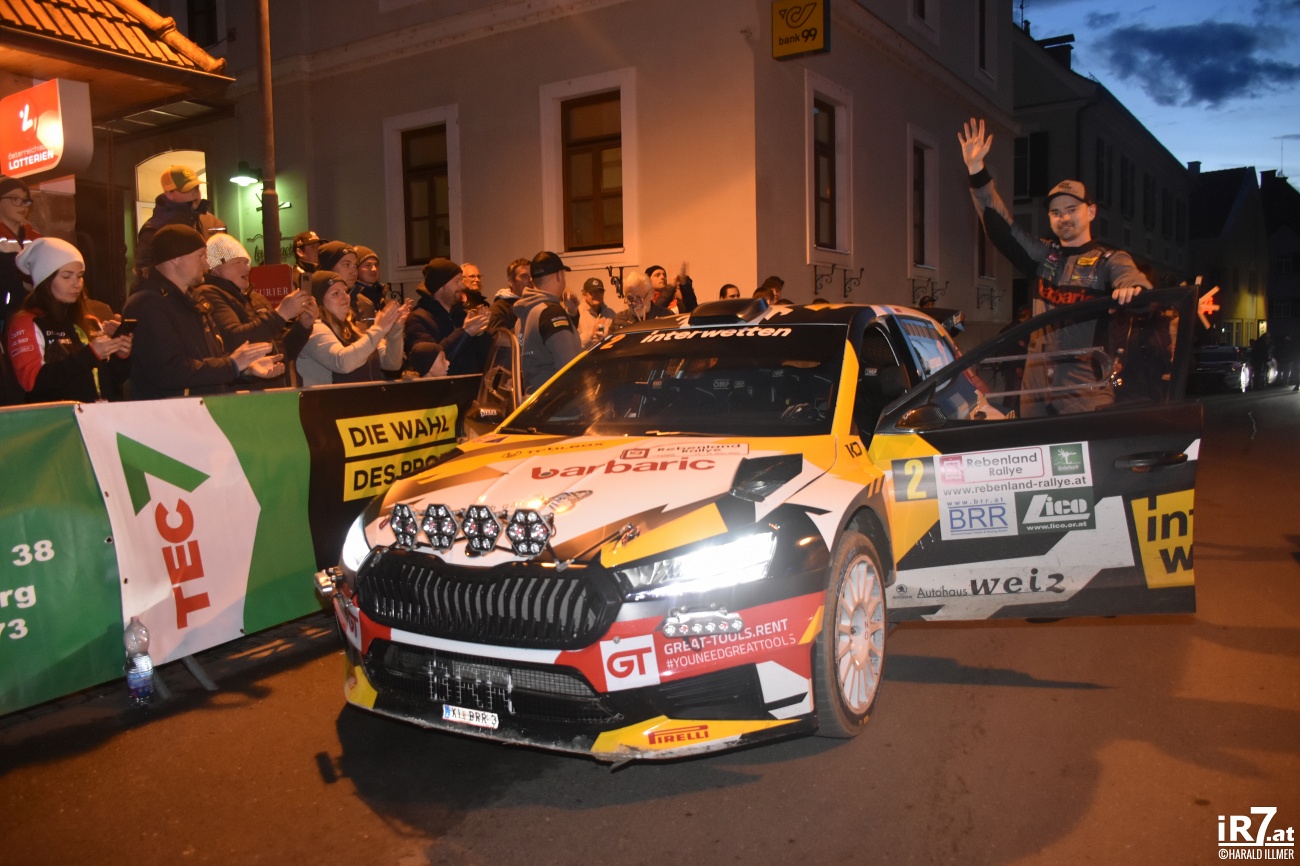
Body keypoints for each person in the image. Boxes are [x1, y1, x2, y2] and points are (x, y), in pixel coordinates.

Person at [958, 117, 1150, 415]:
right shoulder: (1044, 255)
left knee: (1083, 446)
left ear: (1091, 211)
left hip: (1085, 383)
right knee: (1031, 445)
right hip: (1035, 382)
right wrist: (976, 171)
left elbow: (1137, 286)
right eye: (1056, 212)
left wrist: (1133, 289)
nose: (1064, 217)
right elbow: (999, 228)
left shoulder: (1109, 259)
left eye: (1072, 209)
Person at [123, 225, 282, 399]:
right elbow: (168, 371)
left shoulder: (193, 300)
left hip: (201, 410)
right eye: (200, 256)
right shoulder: (148, 304)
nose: (207, 264)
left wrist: (245, 369)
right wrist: (232, 365)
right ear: (175, 258)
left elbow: (209, 359)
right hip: (171, 413)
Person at [5, 238, 131, 403]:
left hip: (100, 414)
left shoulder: (90, 320)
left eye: (80, 276)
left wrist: (120, 354)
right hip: (58, 417)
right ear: (45, 280)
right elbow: (32, 383)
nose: (76, 284)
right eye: (66, 276)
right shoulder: (26, 322)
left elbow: (109, 381)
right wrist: (90, 354)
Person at [197, 233, 315, 388]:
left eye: (247, 262)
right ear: (216, 266)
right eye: (238, 262)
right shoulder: (208, 294)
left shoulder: (256, 298)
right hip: (245, 394)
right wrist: (281, 314)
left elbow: (283, 350)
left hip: (276, 392)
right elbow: (234, 339)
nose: (246, 267)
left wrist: (303, 326)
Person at [297, 270, 417, 386]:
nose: (345, 297)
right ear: (318, 302)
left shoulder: (355, 329)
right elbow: (343, 363)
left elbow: (392, 364)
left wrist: (395, 330)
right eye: (335, 294)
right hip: (332, 400)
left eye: (345, 291)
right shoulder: (314, 330)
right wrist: (379, 329)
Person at [404, 257, 489, 376]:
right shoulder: (418, 319)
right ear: (441, 286)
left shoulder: (462, 315)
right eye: (457, 281)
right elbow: (430, 362)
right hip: (443, 386)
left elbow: (484, 359)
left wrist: (480, 332)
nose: (462, 286)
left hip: (469, 384)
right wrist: (465, 332)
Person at [135, 165, 226, 272]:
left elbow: (226, 262)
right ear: (169, 194)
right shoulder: (155, 229)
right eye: (187, 189)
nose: (195, 193)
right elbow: (145, 271)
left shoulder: (213, 223)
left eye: (196, 188)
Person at [517, 251, 582, 394]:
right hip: (556, 402)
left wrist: (571, 314)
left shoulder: (525, 311)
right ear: (559, 275)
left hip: (534, 397)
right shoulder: (551, 313)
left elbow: (542, 348)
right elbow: (569, 367)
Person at [0, 177, 41, 328]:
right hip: (3, 315)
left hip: (30, 313)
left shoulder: (36, 238)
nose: (23, 205)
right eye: (15, 199)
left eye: (26, 201)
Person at [487, 257, 531, 335]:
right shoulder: (499, 309)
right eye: (524, 276)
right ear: (511, 282)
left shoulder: (536, 304)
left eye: (532, 276)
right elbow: (497, 338)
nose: (530, 280)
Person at [351, 245, 389, 323]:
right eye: (368, 265)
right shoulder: (351, 298)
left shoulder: (383, 297)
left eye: (376, 265)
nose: (374, 269)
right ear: (356, 269)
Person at [576, 277, 616, 348]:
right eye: (592, 292)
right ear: (584, 294)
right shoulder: (577, 313)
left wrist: (605, 339)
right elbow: (572, 343)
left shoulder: (611, 314)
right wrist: (591, 334)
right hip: (586, 355)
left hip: (606, 353)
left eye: (600, 292)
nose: (597, 294)